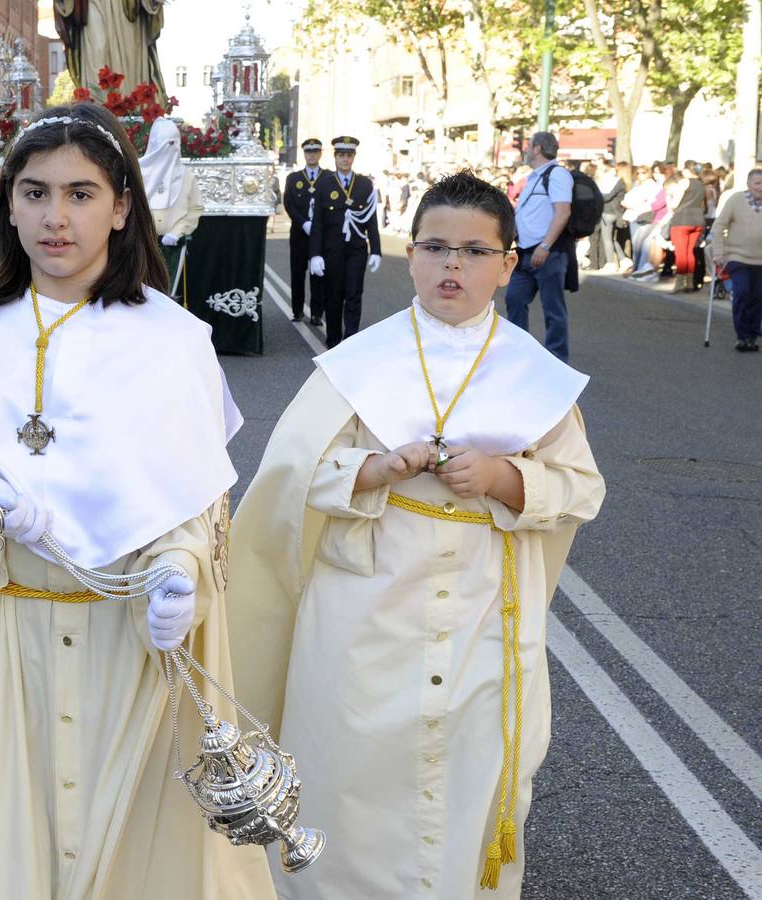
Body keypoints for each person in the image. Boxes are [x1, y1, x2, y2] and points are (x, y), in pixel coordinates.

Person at [0, 102, 275, 900]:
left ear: (123, 207)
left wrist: (179, 573)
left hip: (125, 650)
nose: (56, 217)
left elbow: (197, 508)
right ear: (7, 206)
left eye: (82, 194)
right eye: (34, 193)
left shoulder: (174, 340)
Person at [228, 172, 605, 899]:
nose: (452, 267)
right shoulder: (360, 365)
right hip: (361, 616)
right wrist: (369, 469)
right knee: (349, 781)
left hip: (480, 620)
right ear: (411, 255)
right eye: (434, 247)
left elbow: (581, 487)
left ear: (507, 261)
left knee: (466, 781)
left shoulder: (535, 378)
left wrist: (504, 479)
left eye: (473, 251)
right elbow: (286, 479)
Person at [503, 131, 573, 362]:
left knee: (553, 309)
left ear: (537, 149)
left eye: (528, 145)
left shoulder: (557, 174)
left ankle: (557, 359)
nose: (525, 149)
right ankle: (518, 353)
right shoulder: (535, 176)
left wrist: (545, 245)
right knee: (514, 298)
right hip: (525, 251)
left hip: (547, 253)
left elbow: (563, 211)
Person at [309, 135, 382, 347]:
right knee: (333, 296)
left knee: (354, 294)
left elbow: (371, 220)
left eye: (349, 155)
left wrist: (376, 249)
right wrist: (315, 254)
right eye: (341, 155)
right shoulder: (324, 184)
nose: (345, 159)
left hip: (356, 250)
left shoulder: (364, 184)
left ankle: (350, 340)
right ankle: (333, 340)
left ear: (354, 157)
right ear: (335, 157)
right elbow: (318, 224)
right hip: (332, 251)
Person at [138, 118, 204, 305]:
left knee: (168, 296)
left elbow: (195, 208)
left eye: (175, 144)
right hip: (142, 244)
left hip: (172, 246)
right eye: (166, 144)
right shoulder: (139, 172)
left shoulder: (186, 176)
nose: (171, 149)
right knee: (140, 295)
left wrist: (178, 231)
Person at [706, 167, 762, 352]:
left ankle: (752, 336)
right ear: (748, 184)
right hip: (738, 256)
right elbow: (719, 226)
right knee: (743, 293)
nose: (760, 187)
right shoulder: (736, 200)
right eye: (757, 183)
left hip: (760, 260)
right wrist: (719, 252)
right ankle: (742, 335)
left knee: (758, 297)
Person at [285, 138, 332, 324]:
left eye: (315, 151)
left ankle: (317, 313)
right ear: (304, 154)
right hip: (299, 234)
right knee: (297, 274)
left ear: (320, 154)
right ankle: (297, 311)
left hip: (320, 236)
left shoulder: (329, 177)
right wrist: (304, 223)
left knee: (318, 275)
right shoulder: (294, 178)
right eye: (308, 152)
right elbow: (288, 203)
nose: (311, 155)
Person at [668, 160, 706, 293]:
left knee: (681, 252)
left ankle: (679, 282)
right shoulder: (702, 184)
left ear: (686, 170)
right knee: (690, 252)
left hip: (682, 219)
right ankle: (689, 282)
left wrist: (670, 200)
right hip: (697, 219)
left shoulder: (684, 182)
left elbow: (675, 203)